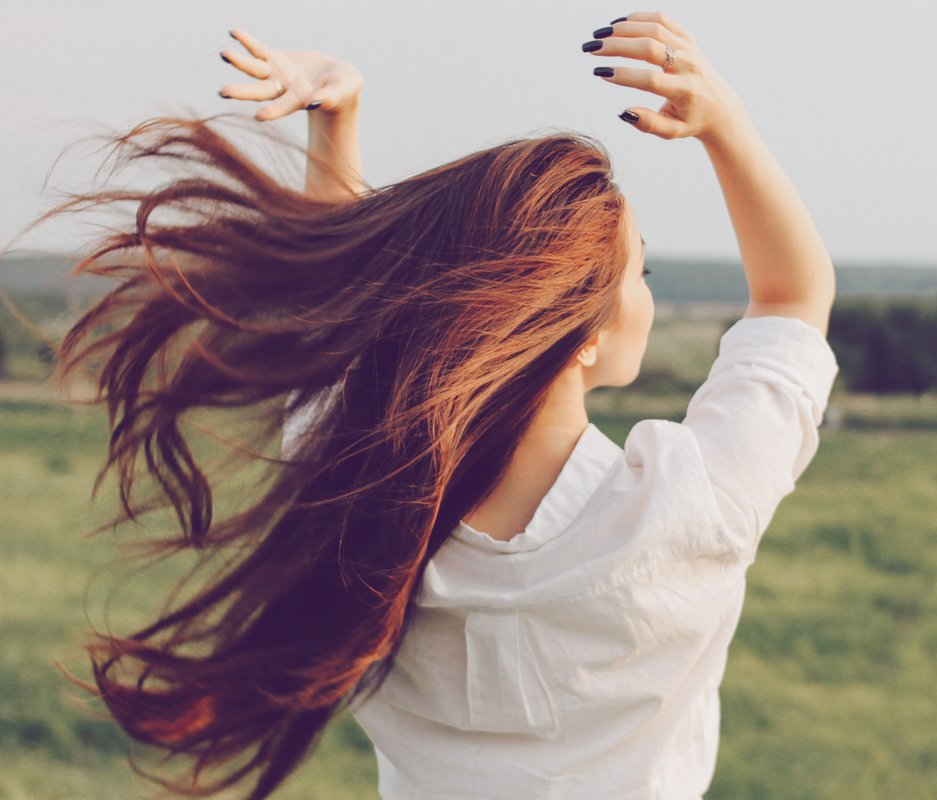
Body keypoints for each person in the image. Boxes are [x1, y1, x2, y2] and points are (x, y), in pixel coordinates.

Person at [48, 10, 837, 799]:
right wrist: (724, 122)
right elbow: (793, 296)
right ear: (584, 330)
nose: (646, 296)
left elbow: (341, 324)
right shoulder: (691, 507)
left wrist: (337, 123)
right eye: (641, 276)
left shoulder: (358, 500)